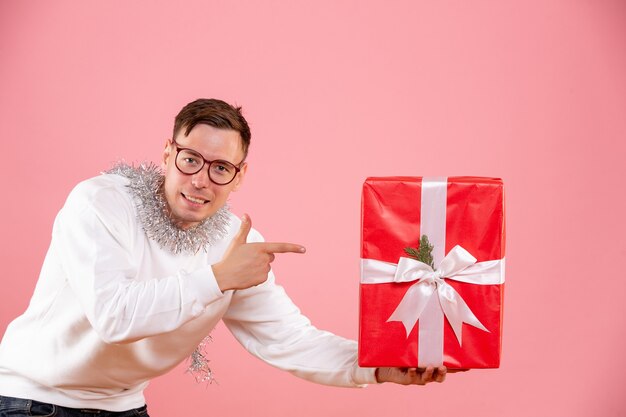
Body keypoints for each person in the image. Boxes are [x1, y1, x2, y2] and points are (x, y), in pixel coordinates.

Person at [0, 99, 450, 417]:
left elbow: (288, 339)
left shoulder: (237, 242)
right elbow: (114, 316)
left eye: (220, 168)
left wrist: (376, 366)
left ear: (239, 176)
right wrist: (218, 278)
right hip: (33, 400)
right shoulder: (100, 203)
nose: (201, 180)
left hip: (123, 405)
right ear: (167, 153)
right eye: (190, 160)